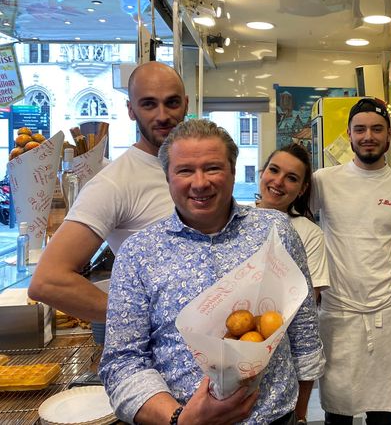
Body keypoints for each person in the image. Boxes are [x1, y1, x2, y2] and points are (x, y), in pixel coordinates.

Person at [99, 119, 325, 424]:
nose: (200, 182)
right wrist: (181, 418)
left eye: (213, 168)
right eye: (185, 170)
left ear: (233, 172)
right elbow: (122, 363)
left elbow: (304, 334)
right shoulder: (138, 254)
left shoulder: (276, 231)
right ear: (167, 177)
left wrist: (299, 417)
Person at [28, 61, 188, 322]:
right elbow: (48, 281)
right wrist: (143, 317)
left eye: (172, 103)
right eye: (148, 104)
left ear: (186, 104)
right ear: (131, 110)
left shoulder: (196, 170)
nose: (162, 116)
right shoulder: (115, 182)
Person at [311, 97, 391, 425]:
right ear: (349, 134)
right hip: (337, 315)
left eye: (376, 129)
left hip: (384, 316)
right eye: (361, 129)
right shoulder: (324, 181)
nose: (369, 136)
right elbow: (294, 223)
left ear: (389, 134)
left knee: (383, 416)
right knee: (337, 415)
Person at [256, 142, 330, 424]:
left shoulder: (307, 233)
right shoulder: (234, 220)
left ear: (301, 190)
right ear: (262, 172)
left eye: (291, 178)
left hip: (282, 360)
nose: (278, 182)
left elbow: (306, 319)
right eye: (273, 171)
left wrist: (300, 413)